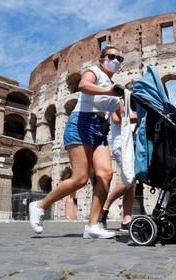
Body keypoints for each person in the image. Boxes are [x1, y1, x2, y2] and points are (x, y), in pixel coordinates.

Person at [28, 46, 126, 238]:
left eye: (120, 59)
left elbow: (118, 118)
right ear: (102, 59)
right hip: (81, 122)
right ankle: (40, 206)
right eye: (112, 56)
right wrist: (110, 91)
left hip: (99, 130)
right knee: (80, 178)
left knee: (105, 174)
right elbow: (83, 86)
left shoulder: (115, 86)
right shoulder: (95, 72)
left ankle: (92, 226)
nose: (116, 60)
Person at [98, 88, 137, 231]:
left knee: (131, 184)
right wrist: (143, 117)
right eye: (132, 92)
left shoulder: (132, 106)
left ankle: (126, 220)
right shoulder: (117, 102)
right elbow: (117, 119)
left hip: (131, 145)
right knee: (130, 178)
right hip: (121, 145)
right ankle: (105, 207)